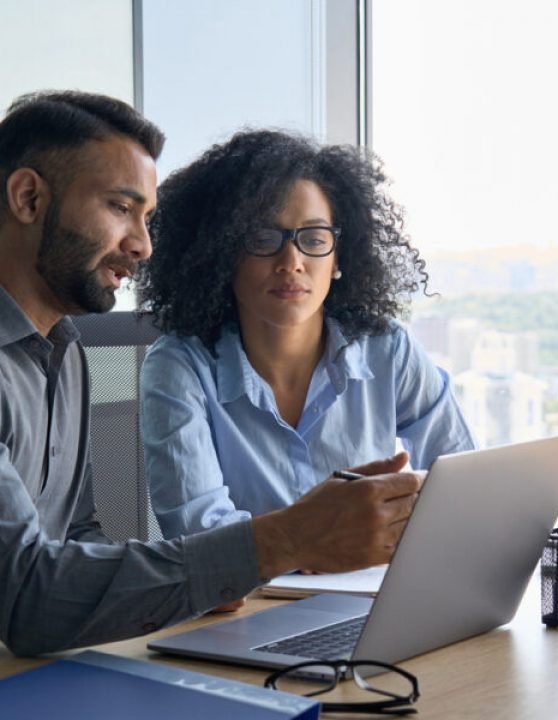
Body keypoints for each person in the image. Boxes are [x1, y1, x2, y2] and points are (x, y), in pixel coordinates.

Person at [0, 91, 424, 657]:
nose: (144, 245)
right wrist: (285, 539)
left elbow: (76, 540)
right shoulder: (164, 364)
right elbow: (26, 599)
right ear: (28, 197)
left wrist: (196, 578)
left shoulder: (64, 353)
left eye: (147, 218)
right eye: (121, 208)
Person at [139, 129, 475, 539]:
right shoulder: (179, 367)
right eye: (264, 238)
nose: (292, 261)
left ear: (338, 258)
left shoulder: (387, 349)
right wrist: (313, 542)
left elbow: (464, 482)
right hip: (248, 602)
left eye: (314, 239)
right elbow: (201, 537)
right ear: (223, 253)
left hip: (377, 591)